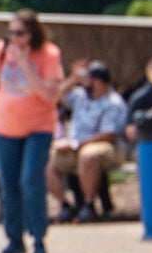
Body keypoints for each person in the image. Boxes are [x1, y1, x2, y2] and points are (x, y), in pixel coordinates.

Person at [0, 8, 64, 253]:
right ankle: (14, 238)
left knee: (31, 180)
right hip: (5, 127)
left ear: (33, 33)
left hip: (38, 127)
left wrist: (25, 65)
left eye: (20, 33)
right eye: (11, 33)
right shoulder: (2, 50)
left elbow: (49, 94)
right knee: (9, 183)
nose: (15, 38)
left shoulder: (48, 54)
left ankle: (38, 237)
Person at [48, 61, 128, 223]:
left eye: (87, 79)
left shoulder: (113, 102)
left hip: (109, 147)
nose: (83, 82)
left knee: (88, 155)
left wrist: (76, 145)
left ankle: (88, 205)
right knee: (47, 159)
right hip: (76, 145)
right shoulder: (80, 96)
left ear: (98, 82)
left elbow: (108, 134)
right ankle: (65, 206)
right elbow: (57, 96)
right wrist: (73, 78)